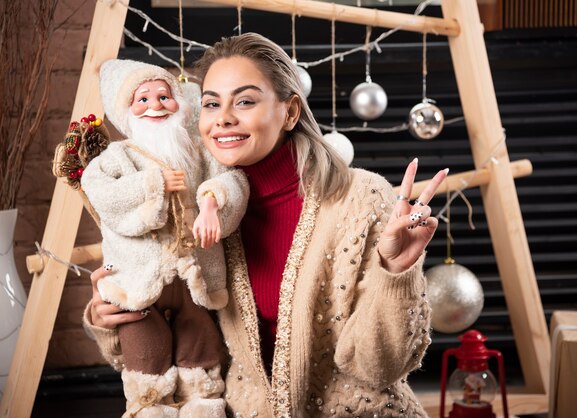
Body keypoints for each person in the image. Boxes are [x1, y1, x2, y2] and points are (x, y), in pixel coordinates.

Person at [85, 33, 448, 417]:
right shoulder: (195, 208)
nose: (224, 117)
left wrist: (396, 272)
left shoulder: (360, 198)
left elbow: (380, 368)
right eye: (211, 103)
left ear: (290, 112)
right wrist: (112, 314)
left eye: (244, 100)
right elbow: (187, 344)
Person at [81, 59, 249, 418]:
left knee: (199, 340)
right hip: (138, 281)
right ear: (126, 111)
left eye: (164, 96)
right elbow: (101, 194)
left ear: (180, 101)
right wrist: (152, 183)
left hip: (194, 275)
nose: (155, 105)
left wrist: (210, 201)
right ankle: (149, 406)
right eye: (143, 99)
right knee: (145, 347)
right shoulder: (118, 157)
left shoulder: (197, 150)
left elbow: (233, 180)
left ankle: (203, 403)